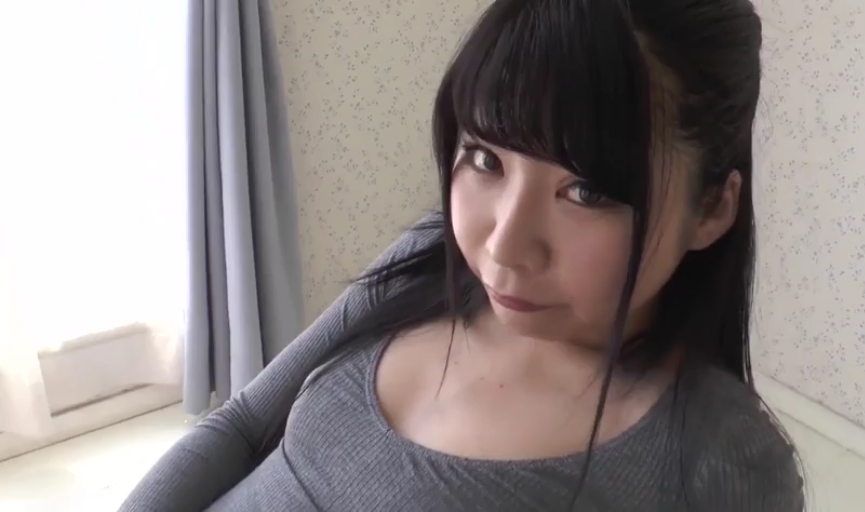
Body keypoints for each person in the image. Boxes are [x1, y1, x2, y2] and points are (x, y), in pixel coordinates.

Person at [121, 0, 805, 510]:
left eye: (587, 191)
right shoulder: (427, 255)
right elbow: (244, 426)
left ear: (711, 209)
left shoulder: (720, 459)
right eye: (485, 158)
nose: (503, 245)